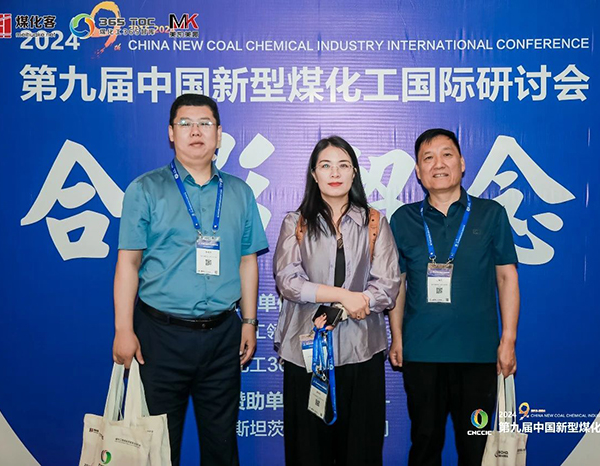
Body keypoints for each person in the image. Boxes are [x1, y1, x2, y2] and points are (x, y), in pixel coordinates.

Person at [112, 93, 268, 466]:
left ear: (219, 134)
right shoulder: (145, 189)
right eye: (185, 123)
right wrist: (123, 329)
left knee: (221, 444)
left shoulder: (239, 192)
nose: (195, 131)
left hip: (223, 337)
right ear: (171, 133)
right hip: (159, 338)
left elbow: (248, 261)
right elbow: (128, 263)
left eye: (204, 123)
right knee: (157, 449)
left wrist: (248, 322)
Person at [388, 128, 520, 466]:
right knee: (425, 443)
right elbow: (397, 284)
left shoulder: (491, 214)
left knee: (475, 448)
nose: (438, 164)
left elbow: (506, 277)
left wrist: (508, 341)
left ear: (461, 163)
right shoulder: (403, 219)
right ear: (418, 172)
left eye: (447, 155)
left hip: (477, 355)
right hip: (422, 353)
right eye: (428, 158)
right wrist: (397, 337)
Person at [273, 136, 400, 466]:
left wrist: (353, 305)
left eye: (343, 165)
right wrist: (343, 296)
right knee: (307, 452)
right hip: (307, 353)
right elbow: (288, 282)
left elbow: (387, 285)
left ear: (354, 173)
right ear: (313, 174)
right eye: (326, 165)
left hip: (362, 350)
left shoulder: (374, 222)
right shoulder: (296, 223)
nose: (335, 173)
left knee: (361, 451)